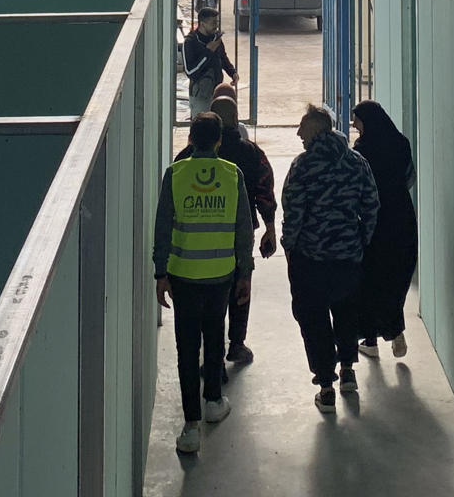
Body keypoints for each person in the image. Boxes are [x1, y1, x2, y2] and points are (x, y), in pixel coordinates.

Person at [154, 113, 254, 454]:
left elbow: (163, 226)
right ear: (219, 141)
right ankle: (214, 401)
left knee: (186, 348)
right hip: (220, 274)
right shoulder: (232, 175)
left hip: (183, 275)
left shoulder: (175, 174)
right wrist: (245, 273)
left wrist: (160, 273)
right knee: (214, 338)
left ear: (190, 139)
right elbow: (244, 230)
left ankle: (191, 426)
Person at [280, 101, 379, 412]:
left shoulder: (303, 166)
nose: (298, 132)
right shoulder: (356, 162)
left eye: (303, 127)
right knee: (347, 312)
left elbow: (293, 212)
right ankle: (348, 370)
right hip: (348, 257)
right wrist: (360, 239)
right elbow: (371, 204)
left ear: (317, 129)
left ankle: (326, 385)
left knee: (314, 320)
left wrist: (290, 245)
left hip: (311, 259)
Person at [176, 93, 278, 363]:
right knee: (240, 284)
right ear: (235, 119)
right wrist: (270, 227)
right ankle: (236, 343)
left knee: (205, 295)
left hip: (195, 242)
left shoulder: (185, 158)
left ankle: (210, 351)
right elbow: (265, 191)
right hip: (238, 236)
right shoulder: (252, 152)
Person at [350, 100, 418, 360]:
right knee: (396, 275)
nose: (355, 126)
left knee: (371, 278)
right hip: (401, 216)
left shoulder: (362, 150)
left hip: (375, 220)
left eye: (358, 121)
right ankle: (395, 332)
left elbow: (360, 188)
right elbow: (409, 177)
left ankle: (370, 340)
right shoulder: (401, 143)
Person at [182, 6, 237, 120]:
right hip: (200, 95)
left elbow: (222, 57)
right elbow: (190, 71)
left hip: (216, 90)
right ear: (202, 24)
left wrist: (232, 72)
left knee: (218, 125)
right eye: (213, 23)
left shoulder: (215, 38)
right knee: (202, 128)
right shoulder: (190, 42)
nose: (216, 26)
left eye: (217, 22)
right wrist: (208, 52)